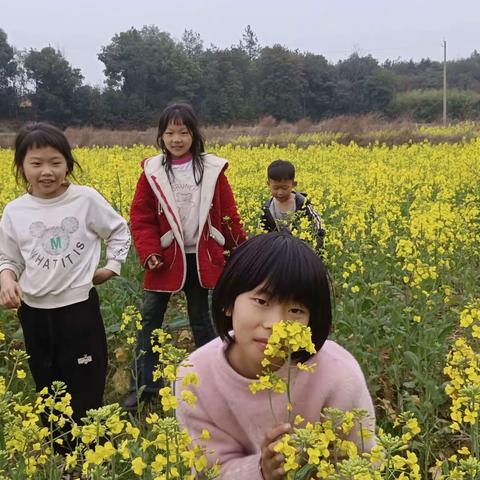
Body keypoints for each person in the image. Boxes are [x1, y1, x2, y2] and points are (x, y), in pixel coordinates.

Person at [175, 232, 375, 479]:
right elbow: (209, 470)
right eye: (261, 301)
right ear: (228, 302)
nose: (276, 324)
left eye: (295, 310)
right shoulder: (195, 375)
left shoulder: (338, 374)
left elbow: (364, 461)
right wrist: (261, 470)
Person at [0, 122, 131, 425]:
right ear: (21, 166)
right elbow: (8, 258)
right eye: (36, 163)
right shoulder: (15, 211)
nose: (47, 171)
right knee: (46, 378)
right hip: (34, 311)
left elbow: (119, 231)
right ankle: (60, 451)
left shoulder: (84, 199)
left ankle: (89, 444)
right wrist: (7, 280)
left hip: (78, 309)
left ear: (68, 165)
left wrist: (112, 266)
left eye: (55, 162)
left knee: (86, 375)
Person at [124, 103, 246, 409]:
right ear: (161, 136)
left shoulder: (212, 169)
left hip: (202, 256)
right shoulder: (152, 172)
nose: (176, 139)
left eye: (183, 132)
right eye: (170, 132)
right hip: (165, 257)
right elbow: (141, 218)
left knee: (202, 318)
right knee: (150, 318)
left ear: (194, 134)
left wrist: (241, 254)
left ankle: (212, 381)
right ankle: (145, 385)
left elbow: (228, 214)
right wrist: (149, 251)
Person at [261, 159, 325, 253]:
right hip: (279, 251)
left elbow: (319, 225)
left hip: (303, 249)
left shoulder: (303, 203)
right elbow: (264, 233)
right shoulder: (267, 208)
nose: (280, 192)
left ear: (294, 184)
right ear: (268, 184)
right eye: (275, 188)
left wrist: (316, 247)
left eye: (285, 188)